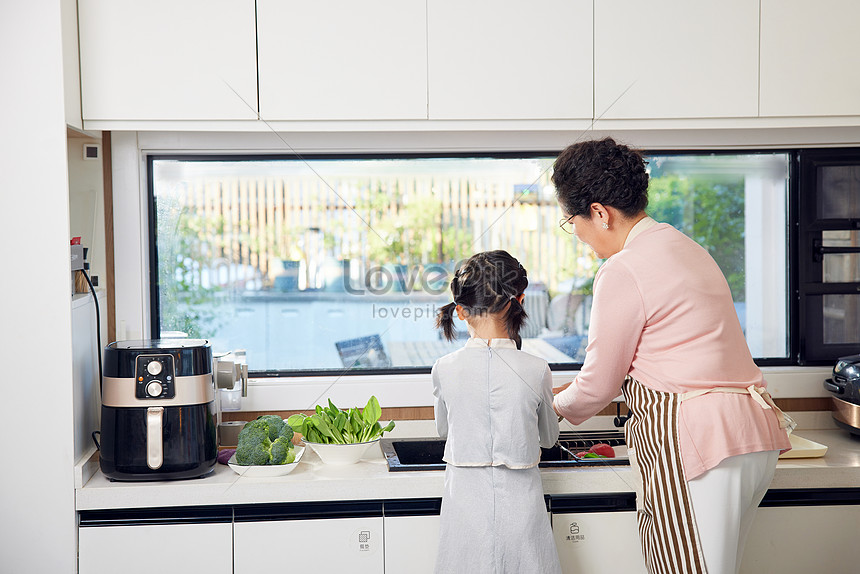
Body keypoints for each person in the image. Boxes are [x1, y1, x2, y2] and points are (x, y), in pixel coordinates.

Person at [551, 138, 793, 574]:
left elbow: (599, 383)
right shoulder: (684, 246)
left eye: (572, 222)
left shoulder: (623, 269)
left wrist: (550, 407)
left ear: (599, 213)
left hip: (698, 443)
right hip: (751, 436)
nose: (579, 236)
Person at [432, 250, 561, 574]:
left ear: (460, 311)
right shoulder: (536, 368)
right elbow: (548, 438)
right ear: (519, 300)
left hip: (464, 509)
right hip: (522, 511)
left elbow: (444, 431)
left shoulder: (444, 368)